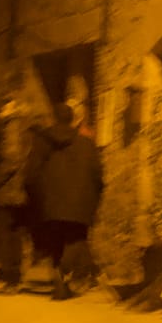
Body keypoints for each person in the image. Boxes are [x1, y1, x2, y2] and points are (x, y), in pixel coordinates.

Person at [28, 97, 103, 300]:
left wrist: (36, 196)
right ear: (72, 119)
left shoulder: (42, 141)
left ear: (54, 118)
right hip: (80, 201)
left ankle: (59, 279)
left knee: (56, 240)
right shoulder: (86, 144)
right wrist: (95, 198)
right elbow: (97, 174)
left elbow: (31, 173)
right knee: (75, 239)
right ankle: (64, 273)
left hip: (50, 200)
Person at [0, 94, 37, 293]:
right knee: (14, 234)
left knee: (3, 233)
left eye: (5, 106)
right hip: (18, 190)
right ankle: (14, 278)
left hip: (8, 190)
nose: (1, 111)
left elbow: (11, 158)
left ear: (13, 108)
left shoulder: (12, 126)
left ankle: (6, 277)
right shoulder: (24, 126)